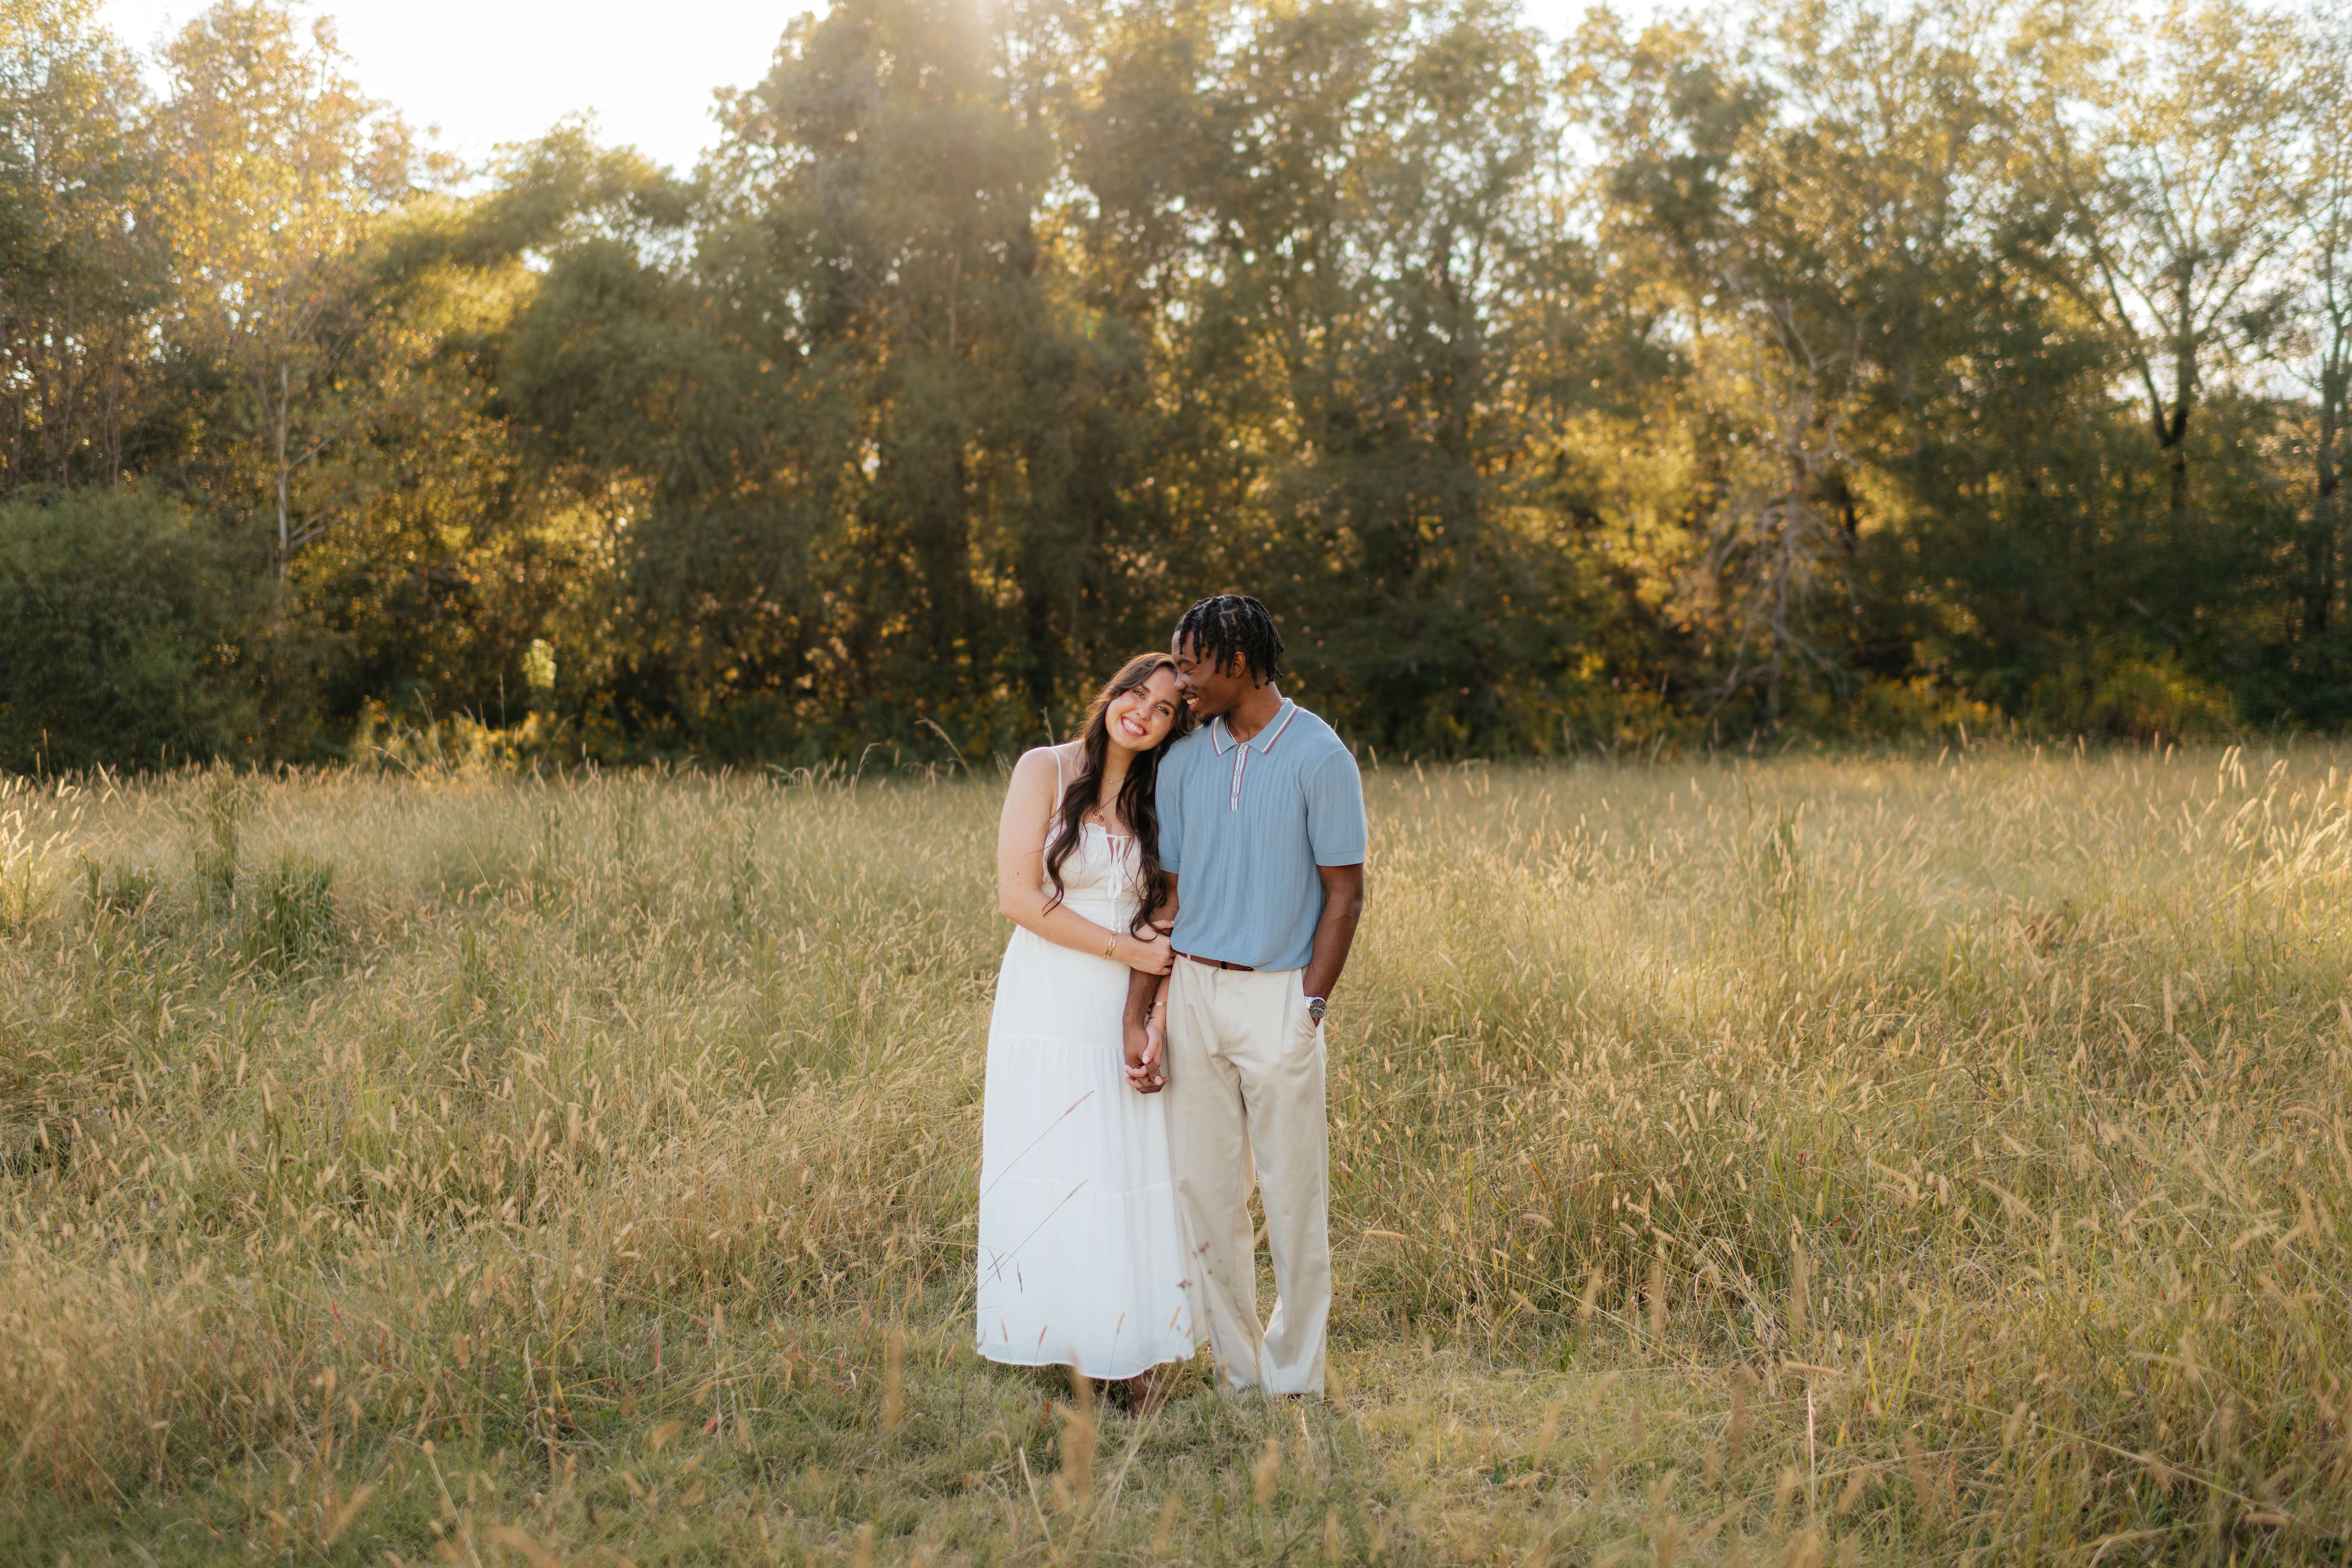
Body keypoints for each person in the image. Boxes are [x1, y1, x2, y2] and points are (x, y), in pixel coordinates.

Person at [1123, 594, 1366, 1396]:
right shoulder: (1186, 762)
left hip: (1278, 999)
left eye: (1191, 663)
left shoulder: (1320, 754)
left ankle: (1293, 1374)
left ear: (1239, 661)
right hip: (1192, 990)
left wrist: (1311, 1007)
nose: (1180, 679)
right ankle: (1236, 1371)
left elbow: (1344, 892)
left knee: (1294, 1196)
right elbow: (1169, 900)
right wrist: (1146, 1008)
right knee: (1205, 1188)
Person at [976, 653, 1199, 1391]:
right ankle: (1055, 1331)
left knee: (1124, 1160)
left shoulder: (1164, 794)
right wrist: (1118, 945)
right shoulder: (1044, 768)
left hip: (1125, 996)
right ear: (1112, 695)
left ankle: (1125, 1351)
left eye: (1164, 707)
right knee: (1055, 1157)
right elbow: (1016, 895)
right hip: (1047, 991)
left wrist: (1150, 1009)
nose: (1142, 711)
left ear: (1175, 726)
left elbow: (1167, 916)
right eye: (1134, 693)